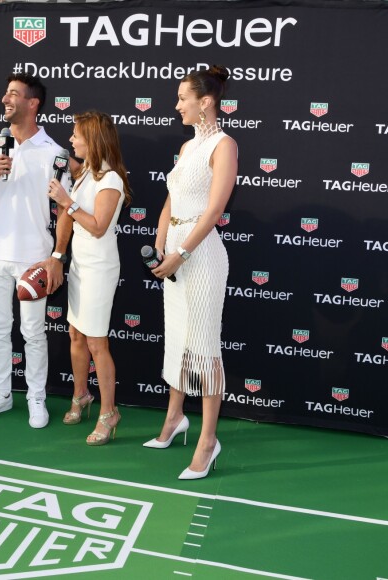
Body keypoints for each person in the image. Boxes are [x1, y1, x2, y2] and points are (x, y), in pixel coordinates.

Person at [142, 66, 238, 480]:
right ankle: (174, 418)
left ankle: (208, 439)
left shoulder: (224, 145)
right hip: (177, 251)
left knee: (203, 347)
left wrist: (180, 252)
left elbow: (214, 210)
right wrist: (161, 243)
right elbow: (170, 202)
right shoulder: (186, 149)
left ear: (206, 102)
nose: (177, 105)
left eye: (183, 98)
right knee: (178, 341)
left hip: (202, 258)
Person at [0, 73, 74, 429]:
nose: (4, 98)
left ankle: (36, 397)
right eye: (5, 92)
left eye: (13, 94)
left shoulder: (54, 152)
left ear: (33, 103)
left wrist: (57, 256)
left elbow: (65, 212)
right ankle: (1, 393)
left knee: (33, 333)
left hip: (33, 258)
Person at [47, 110, 131, 446]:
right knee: (76, 335)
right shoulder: (85, 175)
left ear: (92, 139)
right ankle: (81, 395)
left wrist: (66, 202)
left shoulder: (111, 180)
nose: (71, 139)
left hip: (99, 267)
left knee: (97, 343)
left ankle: (109, 412)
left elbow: (97, 227)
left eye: (76, 134)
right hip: (80, 266)